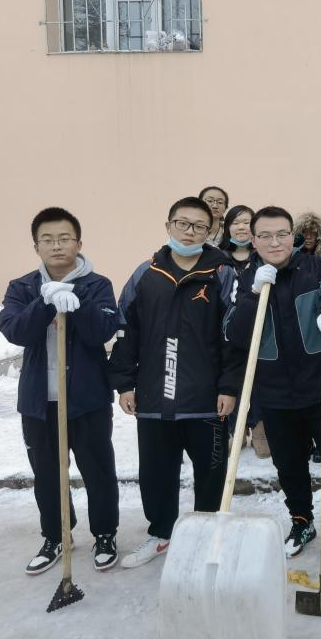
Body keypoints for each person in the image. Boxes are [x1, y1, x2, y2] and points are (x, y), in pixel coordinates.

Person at [226, 206, 321, 556]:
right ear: (254, 240)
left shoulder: (315, 266)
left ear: (292, 236)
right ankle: (301, 521)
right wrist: (254, 293)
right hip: (274, 393)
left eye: (281, 234)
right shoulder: (245, 278)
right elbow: (234, 333)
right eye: (265, 236)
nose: (274, 242)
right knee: (289, 464)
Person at [108, 197, 243, 568]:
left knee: (211, 473)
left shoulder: (223, 274)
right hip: (154, 397)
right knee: (156, 472)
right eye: (182, 223)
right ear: (168, 225)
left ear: (210, 231)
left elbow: (232, 337)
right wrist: (124, 383)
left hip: (206, 400)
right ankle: (161, 534)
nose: (189, 232)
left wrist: (228, 386)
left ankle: (207, 534)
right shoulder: (146, 273)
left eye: (199, 226)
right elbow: (126, 331)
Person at [0, 207, 122, 575]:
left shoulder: (97, 285)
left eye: (65, 238)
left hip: (87, 399)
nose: (57, 246)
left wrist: (77, 303)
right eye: (48, 240)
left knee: (98, 470)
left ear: (78, 243)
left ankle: (105, 534)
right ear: (36, 246)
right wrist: (45, 302)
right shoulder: (22, 287)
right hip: (39, 402)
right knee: (48, 474)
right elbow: (15, 331)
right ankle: (56, 535)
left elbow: (103, 331)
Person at [218, 204, 255, 276]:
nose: (241, 227)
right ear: (227, 228)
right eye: (235, 223)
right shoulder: (219, 256)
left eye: (246, 223)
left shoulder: (261, 256)